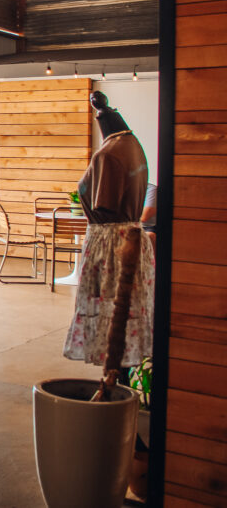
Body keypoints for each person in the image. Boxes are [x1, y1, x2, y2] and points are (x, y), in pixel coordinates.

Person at [63, 91, 154, 367]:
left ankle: (112, 378)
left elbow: (103, 206)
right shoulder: (133, 144)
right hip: (132, 239)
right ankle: (119, 374)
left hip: (110, 245)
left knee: (111, 314)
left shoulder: (108, 155)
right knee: (126, 313)